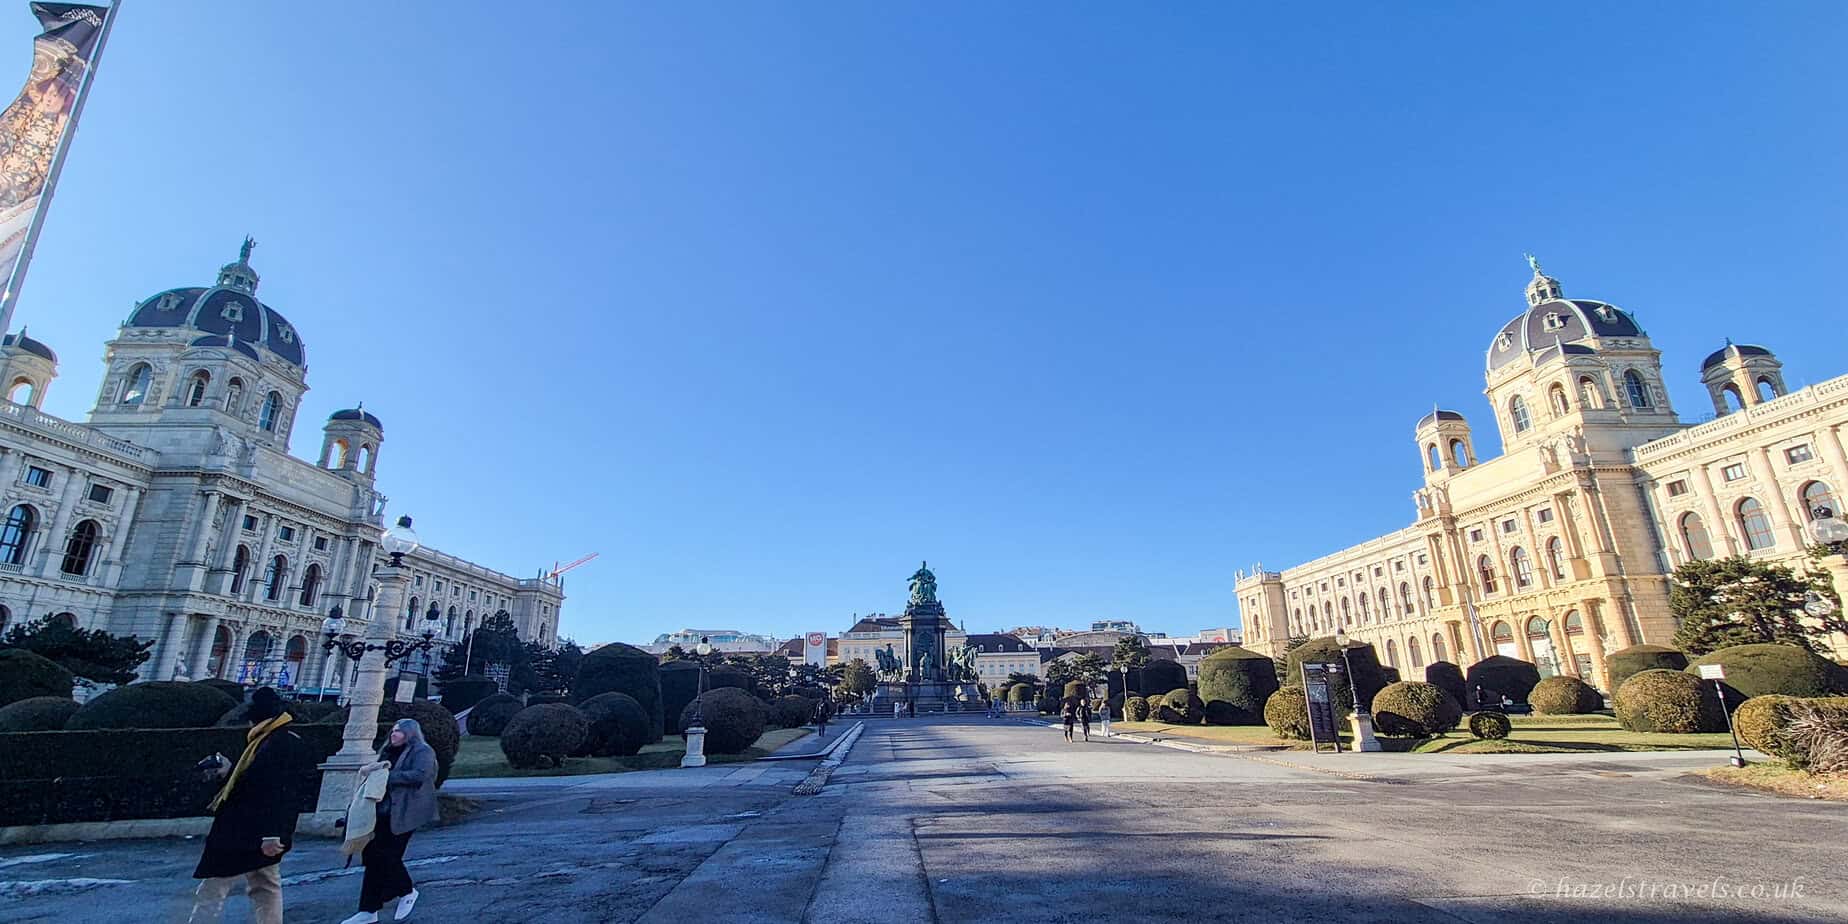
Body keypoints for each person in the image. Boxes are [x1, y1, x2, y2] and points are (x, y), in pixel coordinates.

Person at [188, 687, 310, 924]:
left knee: (218, 885)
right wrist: (228, 771)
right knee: (263, 885)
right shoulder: (266, 739)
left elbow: (282, 790)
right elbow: (256, 780)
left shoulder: (279, 742)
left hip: (250, 830)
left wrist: (274, 833)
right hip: (249, 828)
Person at [341, 718, 439, 924]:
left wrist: (386, 775)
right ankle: (368, 910)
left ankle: (407, 890)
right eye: (393, 731)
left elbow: (420, 775)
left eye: (399, 731)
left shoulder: (422, 751)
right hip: (381, 812)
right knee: (372, 856)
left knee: (387, 856)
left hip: (406, 812)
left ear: (410, 733)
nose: (394, 734)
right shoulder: (387, 751)